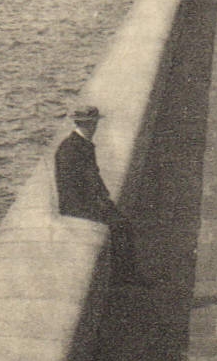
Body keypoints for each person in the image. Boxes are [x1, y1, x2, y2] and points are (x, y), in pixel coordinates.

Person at [54, 105, 156, 288]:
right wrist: (99, 203)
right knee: (121, 226)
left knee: (122, 224)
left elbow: (91, 177)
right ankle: (125, 279)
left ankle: (125, 276)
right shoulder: (75, 148)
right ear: (91, 124)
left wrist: (103, 198)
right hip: (77, 207)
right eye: (94, 123)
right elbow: (78, 186)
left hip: (84, 202)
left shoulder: (77, 144)